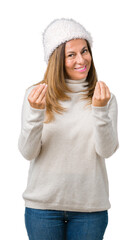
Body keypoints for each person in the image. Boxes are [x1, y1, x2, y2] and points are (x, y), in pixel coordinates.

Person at [18, 18, 119, 240]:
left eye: (84, 51)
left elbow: (107, 151)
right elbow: (28, 152)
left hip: (90, 210)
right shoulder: (35, 96)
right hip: (42, 209)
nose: (82, 60)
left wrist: (100, 111)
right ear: (57, 60)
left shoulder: (104, 98)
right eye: (71, 54)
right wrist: (35, 113)